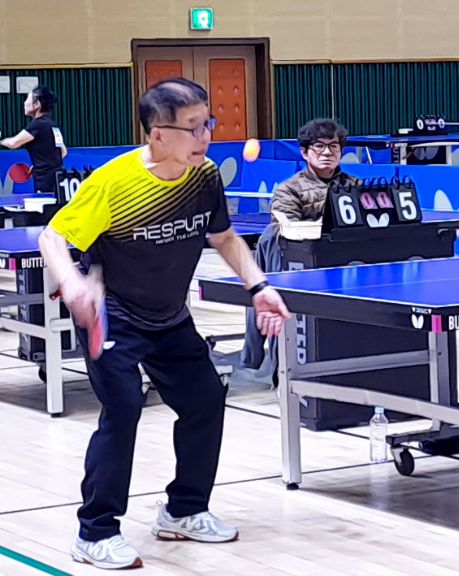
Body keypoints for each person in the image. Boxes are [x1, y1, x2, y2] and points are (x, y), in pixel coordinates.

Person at [37, 77, 291, 570]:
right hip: (114, 315)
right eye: (194, 128)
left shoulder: (204, 175)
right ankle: (95, 531)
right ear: (158, 134)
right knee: (123, 409)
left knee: (205, 400)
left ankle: (184, 510)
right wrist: (71, 282)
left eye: (208, 124)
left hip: (169, 315)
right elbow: (53, 236)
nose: (206, 137)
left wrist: (258, 287)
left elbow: (224, 237)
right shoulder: (113, 183)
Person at [240, 118, 356, 375]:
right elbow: (287, 229)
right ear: (304, 152)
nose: (327, 152)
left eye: (333, 146)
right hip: (297, 264)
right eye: (319, 146)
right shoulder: (289, 189)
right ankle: (278, 370)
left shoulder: (354, 186)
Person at [0, 85, 67, 193]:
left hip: (45, 183)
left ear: (37, 104)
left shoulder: (37, 124)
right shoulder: (53, 125)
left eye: (27, 99)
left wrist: (1, 141)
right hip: (59, 179)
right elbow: (63, 152)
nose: (24, 103)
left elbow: (13, 143)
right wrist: (41, 164)